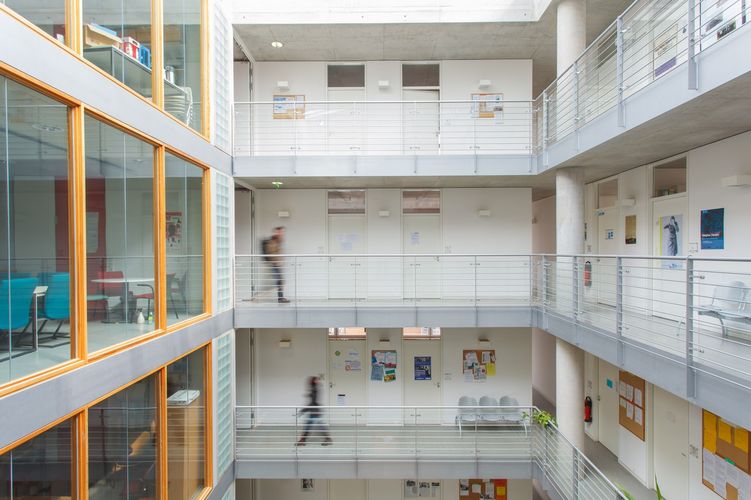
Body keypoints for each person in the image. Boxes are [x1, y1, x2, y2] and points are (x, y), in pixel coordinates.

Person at [296, 376, 332, 446]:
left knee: (312, 425)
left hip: (314, 411)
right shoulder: (314, 389)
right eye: (315, 380)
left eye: (316, 380)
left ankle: (303, 440)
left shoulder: (314, 389)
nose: (317, 381)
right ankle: (303, 440)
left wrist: (303, 410)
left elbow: (313, 402)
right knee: (311, 425)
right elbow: (314, 400)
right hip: (314, 410)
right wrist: (309, 395)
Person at [263, 226, 289, 303]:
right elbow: (271, 253)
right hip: (274, 264)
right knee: (279, 280)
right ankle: (280, 298)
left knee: (279, 280)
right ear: (276, 232)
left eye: (282, 232)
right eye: (280, 232)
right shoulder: (273, 241)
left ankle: (280, 298)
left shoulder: (278, 241)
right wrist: (276, 261)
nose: (282, 233)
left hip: (277, 264)